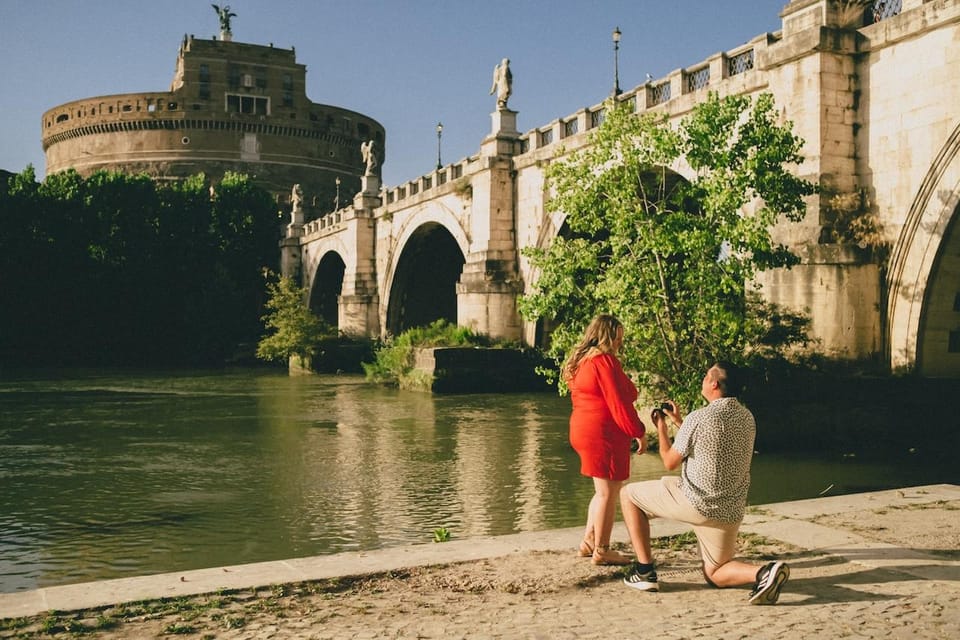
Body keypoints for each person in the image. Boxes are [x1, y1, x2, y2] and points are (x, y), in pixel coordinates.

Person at [619, 361, 790, 604]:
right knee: (715, 573)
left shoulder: (699, 418)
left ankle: (644, 571)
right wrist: (680, 422)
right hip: (729, 511)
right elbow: (713, 445)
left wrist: (660, 426)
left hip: (696, 503)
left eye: (705, 376)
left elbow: (669, 461)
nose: (702, 380)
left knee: (628, 495)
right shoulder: (747, 417)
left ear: (714, 383)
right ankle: (764, 572)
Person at [565, 314, 647, 566]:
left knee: (601, 491)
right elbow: (618, 403)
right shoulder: (604, 362)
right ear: (606, 335)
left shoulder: (580, 361)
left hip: (583, 427)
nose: (620, 342)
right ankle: (602, 550)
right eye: (617, 337)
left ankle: (589, 541)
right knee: (608, 493)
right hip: (604, 432)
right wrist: (638, 430)